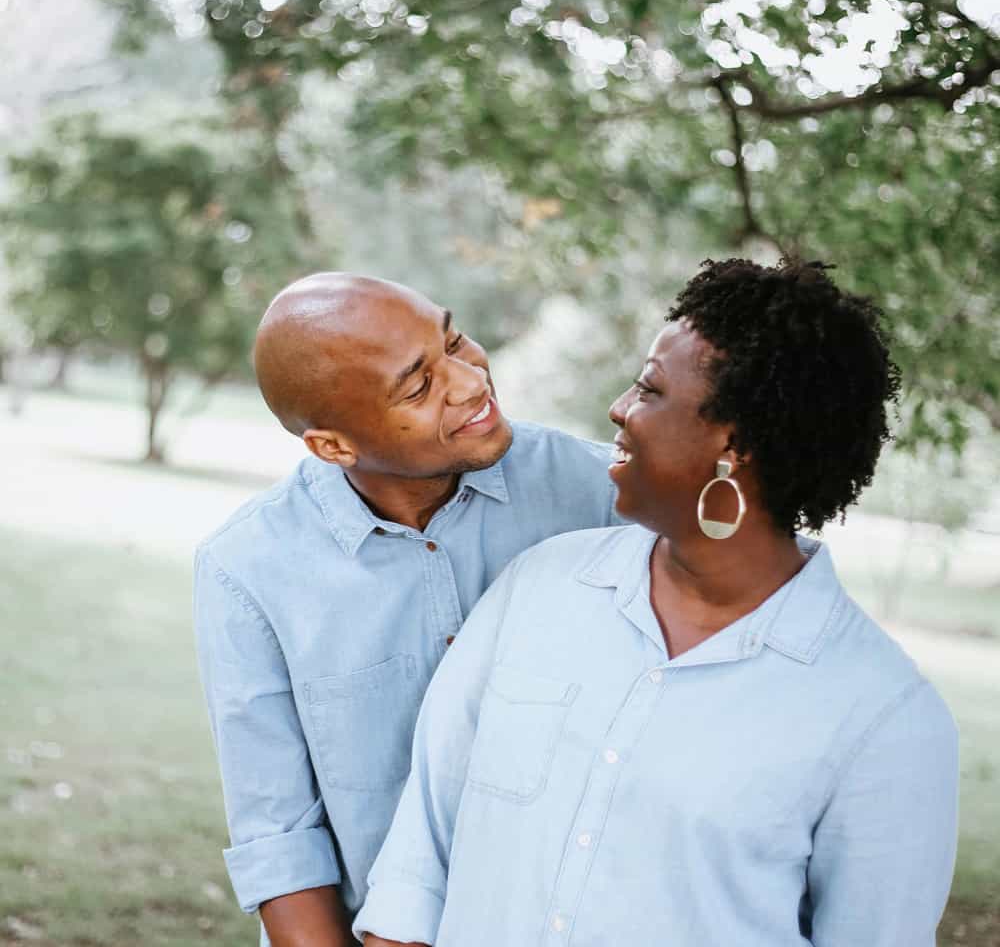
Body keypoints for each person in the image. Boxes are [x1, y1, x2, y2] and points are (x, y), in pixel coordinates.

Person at [355, 259, 959, 947]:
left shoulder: (883, 719)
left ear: (732, 445)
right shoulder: (540, 586)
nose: (619, 408)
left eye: (649, 388)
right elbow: (416, 868)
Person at [193, 273, 620, 946]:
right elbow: (280, 841)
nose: (471, 381)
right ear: (334, 447)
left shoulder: (606, 499)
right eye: (419, 387)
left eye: (453, 341)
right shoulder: (246, 570)